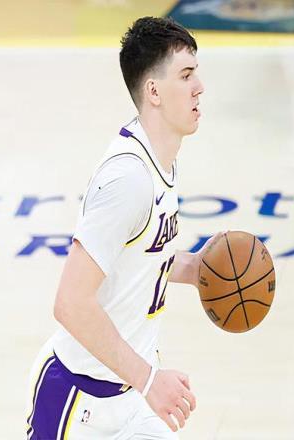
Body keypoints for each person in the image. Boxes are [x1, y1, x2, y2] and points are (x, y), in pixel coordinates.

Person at [25, 16, 218, 439]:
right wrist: (151, 381)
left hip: (132, 398)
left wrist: (195, 268)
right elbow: (70, 303)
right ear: (154, 92)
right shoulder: (128, 180)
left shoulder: (159, 159)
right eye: (186, 75)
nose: (199, 87)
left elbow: (139, 256)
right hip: (79, 403)